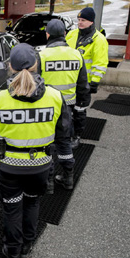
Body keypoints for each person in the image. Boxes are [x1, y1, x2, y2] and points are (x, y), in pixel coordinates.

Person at [0, 43, 74, 258]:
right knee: (32, 205)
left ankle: (12, 253)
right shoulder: (55, 97)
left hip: (8, 167)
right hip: (41, 165)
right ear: (36, 65)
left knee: (12, 208)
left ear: (10, 67)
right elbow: (64, 133)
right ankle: (26, 247)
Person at [39, 19, 90, 193]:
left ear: (47, 35)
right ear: (65, 35)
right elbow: (83, 84)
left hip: (47, 107)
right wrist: (82, 104)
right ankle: (68, 178)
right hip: (67, 108)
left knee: (47, 145)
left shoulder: (42, 56)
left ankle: (49, 181)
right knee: (64, 142)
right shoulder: (76, 55)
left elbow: (35, 85)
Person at [66, 7, 108, 96]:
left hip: (85, 82)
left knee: (79, 108)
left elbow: (100, 63)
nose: (80, 22)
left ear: (91, 22)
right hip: (69, 79)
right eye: (79, 19)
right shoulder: (71, 34)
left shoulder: (99, 39)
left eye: (83, 20)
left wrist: (94, 82)